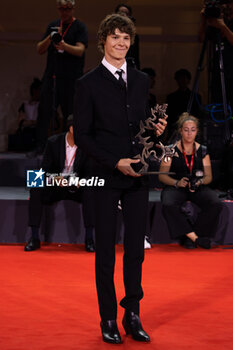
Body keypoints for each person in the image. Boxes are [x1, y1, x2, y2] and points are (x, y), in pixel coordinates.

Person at [73, 13, 167, 344]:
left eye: (126, 38)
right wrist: (115, 162)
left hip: (137, 177)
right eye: (114, 37)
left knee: (135, 253)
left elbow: (139, 127)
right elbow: (83, 136)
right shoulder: (87, 83)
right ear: (103, 41)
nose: (121, 43)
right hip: (105, 175)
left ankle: (132, 314)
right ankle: (108, 319)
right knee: (105, 254)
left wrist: (154, 132)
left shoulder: (141, 80)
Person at [24, 115, 95, 253]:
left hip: (77, 186)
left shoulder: (87, 145)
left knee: (91, 190)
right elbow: (45, 169)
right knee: (35, 185)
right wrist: (56, 177)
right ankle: (34, 237)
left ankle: (89, 239)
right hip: (57, 185)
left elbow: (91, 172)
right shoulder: (53, 142)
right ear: (72, 129)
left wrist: (81, 181)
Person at [159, 113, 223, 249]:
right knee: (167, 204)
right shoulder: (170, 150)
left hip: (196, 186)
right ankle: (195, 238)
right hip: (176, 186)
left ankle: (191, 236)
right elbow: (162, 176)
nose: (189, 133)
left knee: (216, 203)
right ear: (180, 131)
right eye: (186, 130)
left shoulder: (203, 150)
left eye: (193, 130)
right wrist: (176, 182)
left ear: (197, 132)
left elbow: (208, 177)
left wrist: (199, 182)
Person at [33, 0, 88, 155]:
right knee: (44, 112)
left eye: (68, 9)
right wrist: (51, 37)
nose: (65, 12)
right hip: (52, 76)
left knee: (69, 114)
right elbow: (39, 49)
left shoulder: (80, 27)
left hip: (71, 79)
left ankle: (68, 149)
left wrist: (64, 46)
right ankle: (40, 147)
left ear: (73, 9)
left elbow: (80, 50)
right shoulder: (53, 25)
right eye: (62, 9)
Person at [166, 69, 202, 142]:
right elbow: (169, 115)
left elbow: (198, 114)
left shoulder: (196, 97)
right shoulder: (171, 97)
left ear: (188, 80)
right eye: (180, 78)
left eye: (184, 78)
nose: (182, 81)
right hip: (175, 130)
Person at [8, 78, 41, 152]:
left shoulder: (42, 105)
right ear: (34, 91)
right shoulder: (25, 105)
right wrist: (30, 122)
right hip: (27, 132)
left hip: (37, 132)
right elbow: (21, 121)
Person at [115, 3, 140, 69]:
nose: (123, 15)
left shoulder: (133, 36)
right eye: (120, 12)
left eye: (126, 13)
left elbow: (136, 56)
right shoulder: (110, 33)